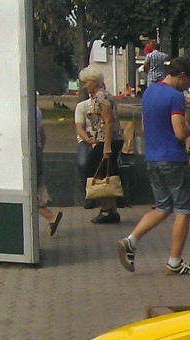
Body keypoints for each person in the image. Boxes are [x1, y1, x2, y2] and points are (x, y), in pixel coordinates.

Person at [116, 56, 190, 276]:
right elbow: (180, 132)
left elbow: (146, 125)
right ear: (182, 75)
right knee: (183, 209)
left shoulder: (149, 92)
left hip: (153, 157)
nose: (189, 87)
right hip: (173, 159)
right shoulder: (175, 98)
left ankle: (131, 240)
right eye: (189, 82)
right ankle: (174, 262)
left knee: (162, 207)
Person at [79, 67, 123, 224]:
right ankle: (111, 209)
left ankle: (106, 209)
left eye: (86, 83)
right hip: (111, 139)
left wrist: (107, 146)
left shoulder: (100, 98)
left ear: (93, 82)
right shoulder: (106, 96)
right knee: (107, 172)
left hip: (106, 139)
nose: (85, 86)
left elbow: (108, 121)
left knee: (96, 171)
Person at [34, 106, 62, 237]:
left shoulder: (23, 108)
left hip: (30, 152)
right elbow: (43, 134)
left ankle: (50, 216)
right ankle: (50, 215)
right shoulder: (37, 110)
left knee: (29, 191)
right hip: (37, 150)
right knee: (36, 187)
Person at [73, 98, 97, 210]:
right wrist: (89, 140)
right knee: (83, 163)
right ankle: (88, 194)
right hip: (86, 140)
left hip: (102, 139)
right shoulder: (82, 106)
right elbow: (79, 128)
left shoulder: (106, 104)